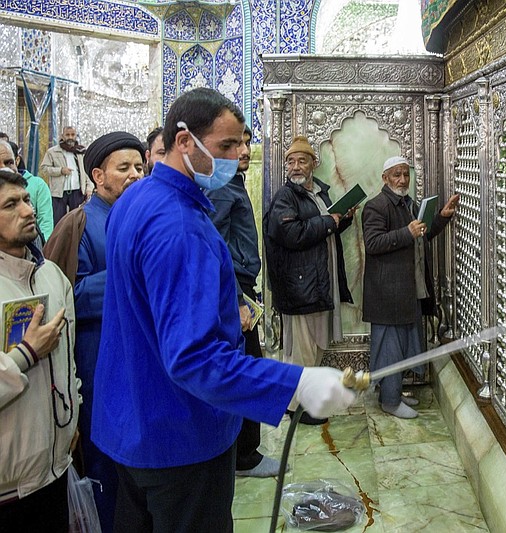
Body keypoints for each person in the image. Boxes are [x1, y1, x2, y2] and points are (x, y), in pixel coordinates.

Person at [91, 88, 355, 532]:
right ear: (184, 141)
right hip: (180, 437)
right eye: (227, 145)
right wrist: (296, 382)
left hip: (129, 426)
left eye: (243, 143)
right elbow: (193, 357)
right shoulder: (180, 226)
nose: (241, 154)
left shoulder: (135, 200)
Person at [44, 131, 145, 532]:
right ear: (99, 176)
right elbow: (73, 293)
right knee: (105, 453)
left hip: (136, 351)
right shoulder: (81, 222)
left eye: (140, 166)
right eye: (124, 168)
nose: (135, 175)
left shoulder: (138, 216)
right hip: (97, 353)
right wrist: (132, 275)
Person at [0, 170, 78, 532]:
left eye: (26, 200)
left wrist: (72, 415)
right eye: (10, 205)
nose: (27, 211)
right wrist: (27, 353)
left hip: (54, 469)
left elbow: (69, 361)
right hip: (8, 486)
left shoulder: (52, 277)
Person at [205, 124, 280, 477]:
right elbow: (215, 251)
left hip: (241, 287)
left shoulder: (231, 184)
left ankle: (245, 453)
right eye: (235, 144)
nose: (245, 151)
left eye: (248, 143)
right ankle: (245, 457)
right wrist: (237, 299)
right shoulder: (221, 190)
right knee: (247, 368)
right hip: (235, 292)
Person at [264, 135, 355, 425]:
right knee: (300, 351)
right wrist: (330, 220)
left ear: (314, 164)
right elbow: (291, 235)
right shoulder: (285, 197)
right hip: (299, 286)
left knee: (315, 346)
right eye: (290, 161)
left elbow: (324, 232)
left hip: (317, 283)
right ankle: (295, 407)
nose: (295, 166)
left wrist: (344, 218)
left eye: (302, 160)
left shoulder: (319, 192)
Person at [362, 156, 459, 419]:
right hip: (387, 294)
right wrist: (407, 232)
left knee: (402, 347)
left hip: (407, 291)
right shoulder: (376, 206)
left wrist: (441, 218)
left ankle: (392, 394)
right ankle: (390, 402)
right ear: (385, 178)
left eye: (405, 174)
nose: (402, 180)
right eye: (396, 175)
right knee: (390, 348)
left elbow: (422, 233)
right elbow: (373, 243)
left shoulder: (407, 204)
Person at [40, 126, 91, 226]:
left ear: (76, 136)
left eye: (73, 134)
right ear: (62, 136)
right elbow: (44, 168)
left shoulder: (81, 152)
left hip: (77, 191)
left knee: (78, 220)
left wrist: (89, 188)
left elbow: (86, 172)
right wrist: (60, 170)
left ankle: (76, 240)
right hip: (59, 193)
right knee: (58, 221)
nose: (70, 137)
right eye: (67, 135)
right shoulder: (53, 151)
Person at [6, 141, 54, 242]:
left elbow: (45, 222)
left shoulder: (37, 185)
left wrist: (43, 247)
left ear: (17, 160)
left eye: (8, 163)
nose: (4, 169)